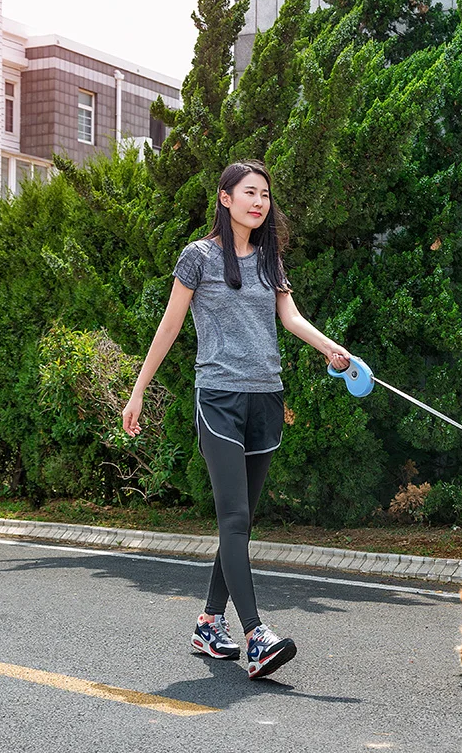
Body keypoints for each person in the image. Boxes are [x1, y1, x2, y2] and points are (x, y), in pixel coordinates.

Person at [121, 160, 350, 679]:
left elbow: (289, 317)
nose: (259, 202)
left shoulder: (270, 258)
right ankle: (255, 635)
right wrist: (138, 390)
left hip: (266, 399)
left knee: (240, 524)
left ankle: (207, 623)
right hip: (219, 399)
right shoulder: (197, 257)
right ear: (225, 198)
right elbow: (170, 325)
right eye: (250, 193)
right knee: (235, 519)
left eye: (265, 195)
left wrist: (332, 349)